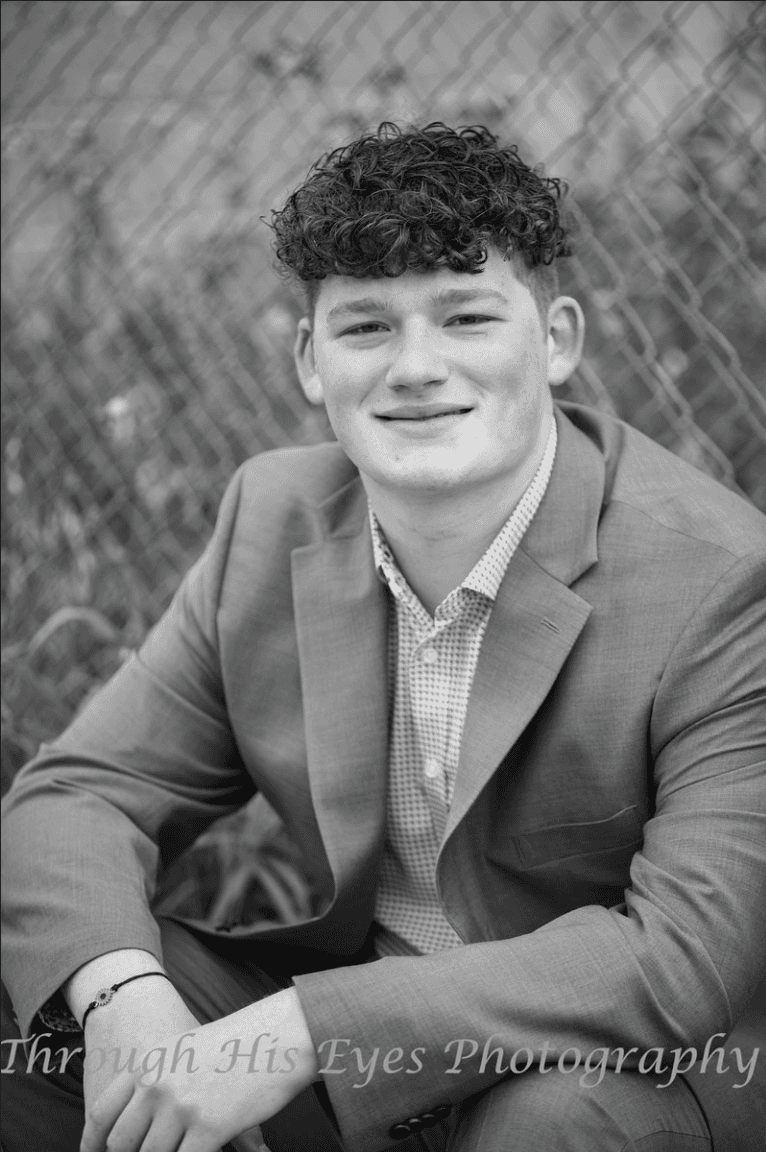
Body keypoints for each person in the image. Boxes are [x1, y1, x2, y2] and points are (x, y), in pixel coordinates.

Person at [2, 122, 765, 1152]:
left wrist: (308, 1029)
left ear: (556, 340)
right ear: (310, 361)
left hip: (621, 1071)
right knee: (46, 993)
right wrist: (121, 1001)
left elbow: (681, 959)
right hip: (361, 1058)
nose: (416, 368)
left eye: (464, 316)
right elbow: (77, 796)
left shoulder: (721, 583)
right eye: (367, 328)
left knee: (549, 1126)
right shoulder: (271, 520)